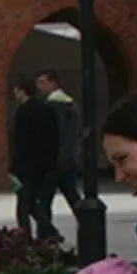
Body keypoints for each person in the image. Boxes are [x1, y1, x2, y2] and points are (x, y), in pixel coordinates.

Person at [9, 77, 59, 239]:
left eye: (16, 90)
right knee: (32, 202)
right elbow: (54, 137)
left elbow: (20, 142)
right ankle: (48, 230)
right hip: (44, 164)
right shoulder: (46, 109)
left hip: (26, 165)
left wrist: (14, 167)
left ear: (22, 91)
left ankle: (28, 236)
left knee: (24, 205)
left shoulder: (23, 112)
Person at [37, 70, 83, 219]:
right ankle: (86, 225)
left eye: (42, 82)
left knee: (44, 201)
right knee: (73, 196)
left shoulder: (50, 107)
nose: (40, 87)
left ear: (53, 82)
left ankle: (47, 234)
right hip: (69, 158)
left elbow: (46, 136)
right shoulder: (72, 106)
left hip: (52, 161)